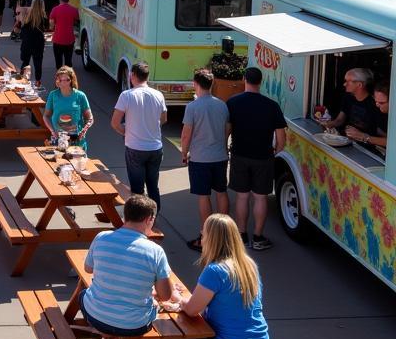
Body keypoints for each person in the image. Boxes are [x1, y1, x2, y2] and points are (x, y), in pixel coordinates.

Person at [80, 194, 172, 339]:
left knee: (85, 294)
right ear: (149, 219)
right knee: (154, 306)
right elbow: (166, 295)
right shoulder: (155, 251)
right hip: (133, 325)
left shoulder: (102, 237)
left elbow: (88, 268)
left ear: (125, 215)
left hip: (94, 316)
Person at [226, 67, 286, 250]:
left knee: (242, 196)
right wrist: (275, 151)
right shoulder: (272, 105)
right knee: (260, 198)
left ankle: (242, 235)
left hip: (239, 155)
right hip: (263, 157)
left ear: (244, 79)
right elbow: (282, 138)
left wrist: (225, 148)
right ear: (261, 81)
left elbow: (226, 131)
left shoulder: (233, 102)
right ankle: (258, 238)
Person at [180, 68, 231, 252]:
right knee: (221, 192)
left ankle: (206, 235)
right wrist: (223, 145)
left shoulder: (192, 107)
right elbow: (227, 129)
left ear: (195, 84)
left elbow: (186, 135)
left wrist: (184, 153)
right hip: (220, 156)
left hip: (200, 158)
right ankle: (225, 232)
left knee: (204, 196)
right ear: (212, 84)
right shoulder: (222, 105)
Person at [111, 62, 168, 212]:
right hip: (155, 148)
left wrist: (127, 132)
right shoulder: (158, 95)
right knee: (153, 185)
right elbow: (163, 119)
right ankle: (154, 217)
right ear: (147, 77)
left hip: (135, 149)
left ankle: (139, 219)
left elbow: (115, 123)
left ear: (133, 76)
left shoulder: (126, 96)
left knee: (137, 190)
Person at [319, 67, 381, 138]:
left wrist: (363, 136)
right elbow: (339, 120)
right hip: (348, 140)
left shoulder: (376, 103)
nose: (344, 84)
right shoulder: (348, 98)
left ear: (359, 85)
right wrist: (329, 124)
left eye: (348, 81)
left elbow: (380, 133)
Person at [43, 66, 93, 149]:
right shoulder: (53, 95)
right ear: (57, 81)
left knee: (78, 161)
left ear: (71, 80)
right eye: (61, 80)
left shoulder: (80, 95)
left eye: (67, 80)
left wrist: (84, 129)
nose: (64, 83)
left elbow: (89, 118)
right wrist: (52, 131)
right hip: (59, 139)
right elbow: (46, 116)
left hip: (76, 141)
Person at [345, 84, 389, 155]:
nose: (377, 105)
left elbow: (392, 142)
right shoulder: (379, 110)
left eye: (381, 103)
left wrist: (364, 137)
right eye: (375, 101)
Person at [18, 0, 48, 85]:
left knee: (25, 62)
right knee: (38, 64)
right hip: (38, 43)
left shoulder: (27, 17)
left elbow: (22, 31)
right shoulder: (43, 18)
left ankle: (21, 81)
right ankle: (38, 82)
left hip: (27, 43)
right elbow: (46, 28)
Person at [49, 0, 78, 70]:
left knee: (58, 62)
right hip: (69, 39)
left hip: (58, 39)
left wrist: (53, 27)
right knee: (68, 61)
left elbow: (51, 25)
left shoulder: (55, 9)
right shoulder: (74, 10)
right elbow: (77, 21)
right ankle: (69, 78)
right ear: (68, 0)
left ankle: (60, 78)